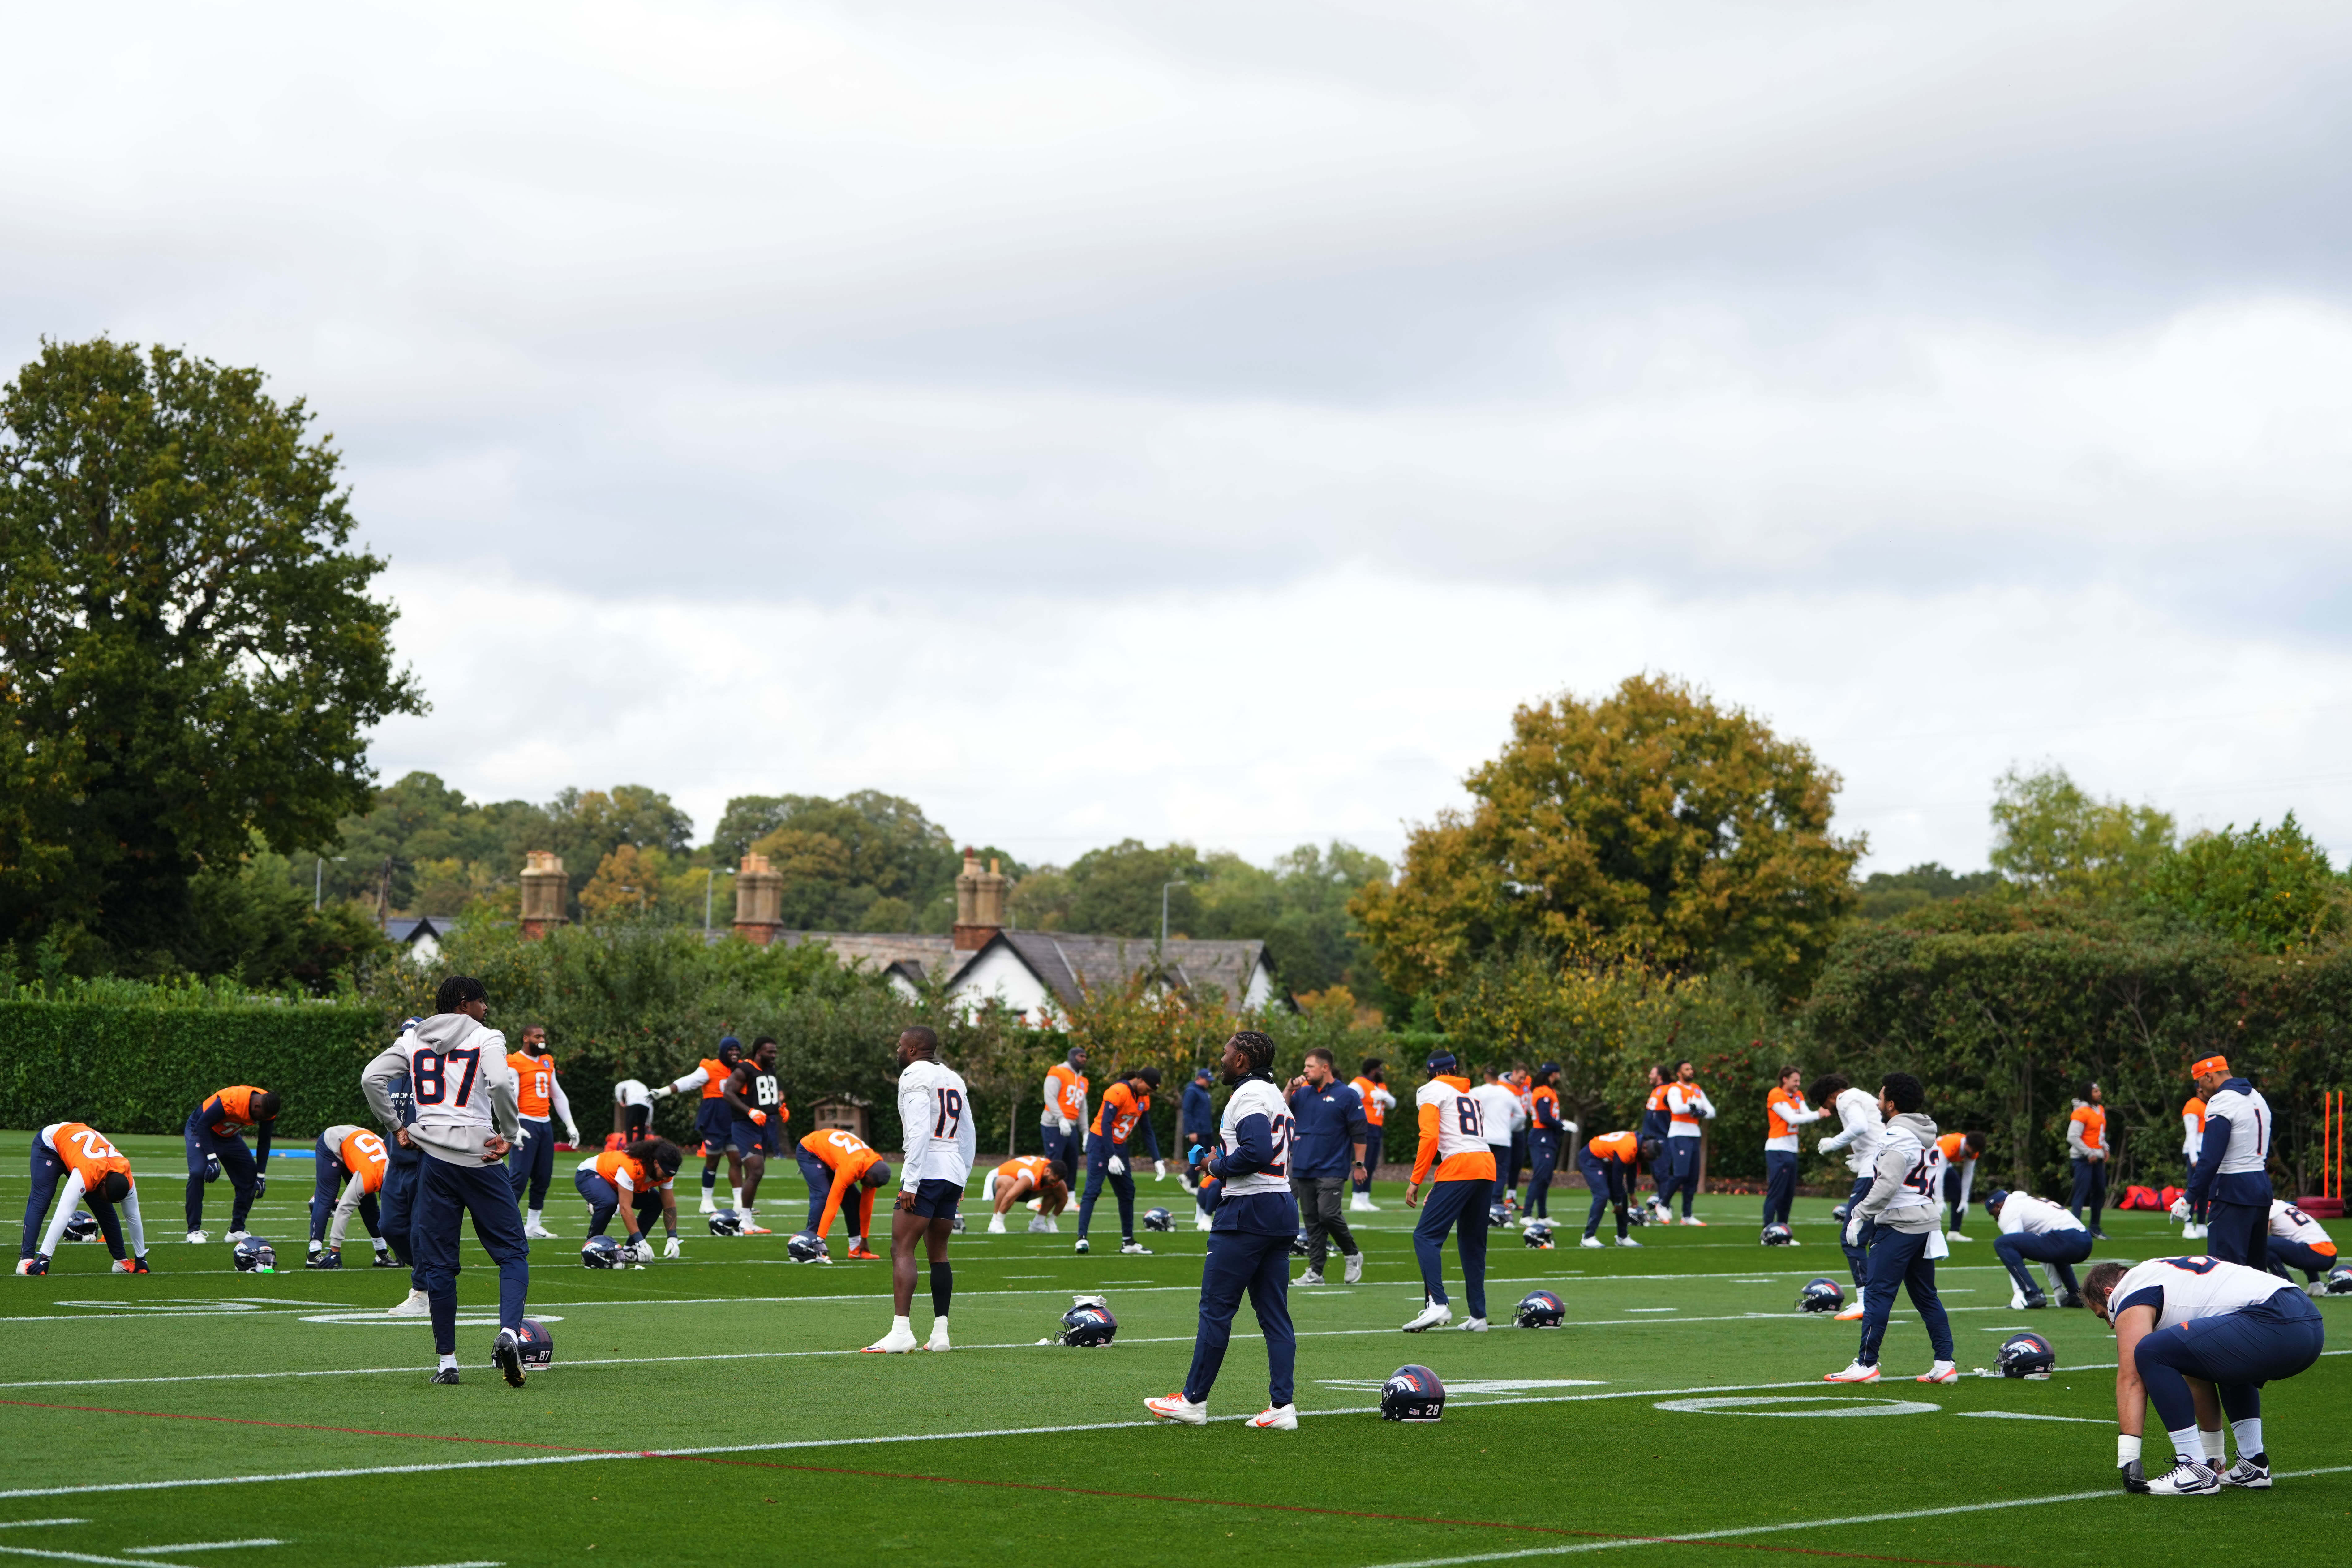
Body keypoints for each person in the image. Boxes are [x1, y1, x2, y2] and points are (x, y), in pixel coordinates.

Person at [361, 974, 533, 1388]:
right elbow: (498, 1082)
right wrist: (509, 1133)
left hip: (434, 1159)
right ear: (463, 1003)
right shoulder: (488, 1037)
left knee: (438, 1263)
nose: (486, 1008)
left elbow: (371, 1078)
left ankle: (447, 1363)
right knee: (512, 1253)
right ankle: (509, 1334)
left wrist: (396, 1125)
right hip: (480, 1155)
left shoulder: (413, 1038)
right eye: (481, 1001)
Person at [1146, 1029, 1302, 1430]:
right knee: (1275, 1315)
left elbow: (1256, 1152)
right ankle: (1283, 1406)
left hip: (1249, 1209)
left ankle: (1194, 1401)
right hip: (1281, 1205)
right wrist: (1224, 1159)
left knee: (1216, 1309)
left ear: (1243, 1061)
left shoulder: (1248, 1095)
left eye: (1227, 1052)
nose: (1221, 1058)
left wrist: (1216, 1167)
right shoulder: (1275, 1096)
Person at [2086, 1254, 2326, 1496]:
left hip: (2276, 1321)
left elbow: (2132, 1377)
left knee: (2150, 1350)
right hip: (2306, 1320)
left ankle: (2193, 1466)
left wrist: (2128, 1457)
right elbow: (2198, 1374)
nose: (2110, 1324)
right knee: (2221, 1359)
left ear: (2109, 1293)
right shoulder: (2162, 1274)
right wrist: (2214, 1454)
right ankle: (2252, 1463)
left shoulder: (2128, 1291)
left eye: (2103, 1315)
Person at [1824, 1072, 1957, 1385]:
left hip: (1899, 1222)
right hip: (1925, 1221)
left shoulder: (1897, 1134)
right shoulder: (1925, 1131)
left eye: (1881, 1097)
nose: (1877, 1102)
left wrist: (1859, 1214)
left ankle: (1866, 1363)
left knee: (1877, 1294)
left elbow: (1886, 1183)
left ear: (1893, 1104)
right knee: (1926, 1296)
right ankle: (1944, 1362)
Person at [865, 1026, 975, 1353]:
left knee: (902, 1248)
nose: (897, 1051)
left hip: (927, 1169)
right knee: (938, 1252)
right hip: (952, 1169)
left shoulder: (914, 1074)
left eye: (900, 1046)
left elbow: (918, 1130)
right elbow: (968, 1131)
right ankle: (941, 1333)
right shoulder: (953, 1077)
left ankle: (901, 1331)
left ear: (913, 1048)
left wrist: (910, 1182)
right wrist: (963, 1177)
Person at [1402, 1050, 1494, 1332]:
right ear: (1454, 1069)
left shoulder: (1431, 1090)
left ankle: (1438, 1304)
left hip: (1460, 1165)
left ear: (1430, 1073)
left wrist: (1416, 1179)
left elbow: (1430, 1136)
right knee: (1473, 1243)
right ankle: (1478, 1317)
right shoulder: (1471, 1095)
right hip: (1486, 1165)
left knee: (1425, 1236)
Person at [2178, 1055, 2273, 1269]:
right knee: (2255, 1272)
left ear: (2209, 1076)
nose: (2200, 1089)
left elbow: (2211, 1157)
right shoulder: (2257, 1096)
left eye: (2200, 1082)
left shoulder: (2222, 1100)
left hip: (2233, 1189)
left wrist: (2189, 1197)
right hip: (2261, 1187)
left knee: (2224, 1271)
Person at [1285, 1047, 1370, 1286]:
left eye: (1310, 1066)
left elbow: (1360, 1134)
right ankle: (1316, 1271)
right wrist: (1290, 1088)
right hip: (1303, 1164)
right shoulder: (1301, 1093)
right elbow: (1280, 1110)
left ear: (1325, 1068)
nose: (1305, 1071)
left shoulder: (1347, 1095)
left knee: (1328, 1214)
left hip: (1332, 1166)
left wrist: (1360, 1165)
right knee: (1312, 1220)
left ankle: (1352, 1253)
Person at [18, 1122, 148, 1276]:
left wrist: (141, 1258)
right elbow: (63, 1213)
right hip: (51, 1145)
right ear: (103, 1183)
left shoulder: (126, 1177)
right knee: (42, 1200)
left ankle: (121, 1261)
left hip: (82, 1153)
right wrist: (45, 1257)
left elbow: (133, 1216)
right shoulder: (87, 1174)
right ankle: (25, 1260)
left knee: (105, 1209)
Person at [1813, 1071, 1886, 1311]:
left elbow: (1860, 1125)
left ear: (1832, 1094)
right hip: (1882, 1166)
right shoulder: (1861, 1096)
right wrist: (1860, 1156)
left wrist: (1833, 1142)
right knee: (1876, 1239)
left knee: (1851, 1238)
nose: (1827, 1108)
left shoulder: (1845, 1099)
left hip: (1872, 1171)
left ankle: (1866, 1299)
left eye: (1824, 1102)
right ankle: (1876, 1298)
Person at [1074, 1067, 1164, 1256]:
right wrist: (1111, 1154)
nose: (1149, 1094)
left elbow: (1147, 1131)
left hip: (1119, 1145)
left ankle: (1128, 1242)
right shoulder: (1118, 1091)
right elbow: (1106, 1124)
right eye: (1148, 1089)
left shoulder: (1143, 1098)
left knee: (1127, 1191)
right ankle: (1082, 1238)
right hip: (1101, 1143)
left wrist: (1157, 1159)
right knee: (1093, 1190)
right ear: (1140, 1080)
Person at [652, 1037, 745, 1214]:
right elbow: (688, 1082)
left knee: (737, 1160)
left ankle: (740, 1202)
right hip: (714, 1120)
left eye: (737, 1050)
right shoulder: (710, 1068)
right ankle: (707, 1201)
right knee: (713, 1161)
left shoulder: (742, 1068)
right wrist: (663, 1092)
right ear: (723, 1052)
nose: (735, 1053)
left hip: (735, 1120)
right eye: (731, 1050)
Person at [505, 1025, 580, 1240]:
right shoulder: (515, 1061)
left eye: (544, 1036)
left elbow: (557, 1094)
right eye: (538, 1036)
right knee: (519, 1176)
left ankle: (534, 1225)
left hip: (545, 1124)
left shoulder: (547, 1060)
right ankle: (505, 1223)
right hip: (525, 1122)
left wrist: (570, 1124)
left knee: (543, 1177)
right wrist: (514, 1126)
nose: (542, 1039)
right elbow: (511, 1095)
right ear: (526, 1038)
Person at [377, 1030, 431, 1317]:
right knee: (389, 1227)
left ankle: (422, 1291)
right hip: (397, 1164)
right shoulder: (393, 1073)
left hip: (425, 1162)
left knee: (421, 1230)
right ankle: (433, 1273)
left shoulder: (434, 1070)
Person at [182, 1084, 278, 1244]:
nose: (260, 1121)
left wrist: (261, 1175)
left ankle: (236, 1230)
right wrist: (212, 1159)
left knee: (250, 1177)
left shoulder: (267, 1106)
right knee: (198, 1172)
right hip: (200, 1131)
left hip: (229, 1136)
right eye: (261, 1116)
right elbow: (202, 1125)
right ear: (256, 1106)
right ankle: (194, 1231)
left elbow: (264, 1142)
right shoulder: (233, 1100)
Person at [720, 1038, 790, 1234]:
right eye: (770, 1052)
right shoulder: (744, 1069)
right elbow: (728, 1094)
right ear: (759, 1052)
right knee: (757, 1170)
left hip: (763, 1126)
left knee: (754, 1174)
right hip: (744, 1126)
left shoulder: (770, 1070)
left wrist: (780, 1109)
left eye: (775, 1052)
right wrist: (749, 1111)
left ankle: (748, 1219)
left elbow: (765, 1097)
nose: (774, 1056)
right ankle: (743, 1219)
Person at [305, 1124, 395, 1269]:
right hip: (334, 1142)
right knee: (327, 1197)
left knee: (369, 1203)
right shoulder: (370, 1177)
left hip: (358, 1149)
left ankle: (382, 1253)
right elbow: (344, 1209)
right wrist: (335, 1251)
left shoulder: (394, 1169)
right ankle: (314, 1253)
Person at [575, 1138, 683, 1258]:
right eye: (664, 1173)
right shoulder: (633, 1167)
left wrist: (673, 1237)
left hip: (619, 1183)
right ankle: (591, 1247)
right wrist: (641, 1241)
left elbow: (669, 1206)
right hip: (591, 1173)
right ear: (656, 1163)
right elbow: (625, 1208)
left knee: (656, 1202)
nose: (666, 1178)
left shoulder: (666, 1174)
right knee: (608, 1203)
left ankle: (631, 1249)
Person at [1986, 1188, 2091, 1309]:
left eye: (1992, 1213)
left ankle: (2032, 1294)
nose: (1994, 1218)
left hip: (2067, 1239)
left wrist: (2019, 1291)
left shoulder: (2009, 1210)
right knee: (2047, 1244)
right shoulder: (2028, 1202)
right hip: (2084, 1240)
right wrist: (2058, 1289)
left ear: (1998, 1206)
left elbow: (2011, 1250)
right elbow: (2043, 1252)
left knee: (2002, 1244)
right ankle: (2075, 1295)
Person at [796, 1127, 891, 1260]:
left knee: (854, 1200)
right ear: (868, 1175)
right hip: (811, 1150)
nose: (869, 1187)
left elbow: (866, 1207)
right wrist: (820, 1240)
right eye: (870, 1184)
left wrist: (864, 1238)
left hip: (834, 1156)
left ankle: (856, 1249)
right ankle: (811, 1245)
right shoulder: (852, 1168)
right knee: (823, 1196)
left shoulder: (874, 1168)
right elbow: (832, 1205)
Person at [1762, 1067, 1820, 1234]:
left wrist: (1816, 1115)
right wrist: (1819, 1115)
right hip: (1778, 1148)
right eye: (1795, 1080)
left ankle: (1782, 1231)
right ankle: (1767, 1230)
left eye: (1799, 1081)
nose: (1798, 1084)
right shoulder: (1776, 1094)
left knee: (1788, 1194)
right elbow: (1792, 1118)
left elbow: (1806, 1114)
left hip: (1792, 1149)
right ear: (1785, 1079)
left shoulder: (1797, 1095)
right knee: (1777, 1192)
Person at [1658, 1060, 1716, 1225]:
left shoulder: (1697, 1089)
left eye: (1691, 1068)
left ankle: (1687, 1215)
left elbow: (1711, 1112)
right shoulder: (1675, 1089)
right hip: (1679, 1135)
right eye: (1687, 1069)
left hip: (1694, 1135)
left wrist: (1699, 1111)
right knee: (1681, 1174)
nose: (1691, 1071)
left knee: (1692, 1177)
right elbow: (1677, 1109)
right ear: (1679, 1073)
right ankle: (1662, 1204)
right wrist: (1693, 1107)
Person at [1577, 1130, 1654, 1249]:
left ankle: (1623, 1237)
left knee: (1623, 1196)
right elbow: (1617, 1176)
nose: (1646, 1161)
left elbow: (1632, 1172)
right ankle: (1588, 1237)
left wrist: (1632, 1194)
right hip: (1592, 1158)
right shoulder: (1629, 1147)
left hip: (1605, 1160)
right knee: (1602, 1195)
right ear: (1645, 1148)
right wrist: (1617, 1203)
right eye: (1648, 1158)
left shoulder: (1636, 1145)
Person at [1469, 1067, 1523, 1216]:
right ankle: (1496, 1202)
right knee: (1500, 1172)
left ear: (1486, 1077)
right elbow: (1521, 1116)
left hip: (1483, 1138)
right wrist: (1509, 1127)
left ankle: (1477, 1199)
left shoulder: (1478, 1091)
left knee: (1480, 1170)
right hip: (1502, 1138)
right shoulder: (1507, 1093)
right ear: (1497, 1078)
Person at [1522, 1064, 1569, 1220]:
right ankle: (1527, 1214)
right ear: (1554, 1074)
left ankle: (1542, 1215)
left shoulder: (1547, 1091)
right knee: (1540, 1176)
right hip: (1542, 1136)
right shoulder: (1543, 1092)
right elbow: (1545, 1118)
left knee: (1546, 1177)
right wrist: (1563, 1124)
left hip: (1547, 1136)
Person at [1350, 1059, 1395, 1211]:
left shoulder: (1380, 1086)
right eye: (1380, 1069)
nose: (1382, 1072)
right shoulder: (1360, 1083)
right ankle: (1356, 1198)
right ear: (1372, 1070)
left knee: (1372, 1164)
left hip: (1377, 1128)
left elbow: (1393, 1104)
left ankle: (1365, 1198)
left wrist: (1385, 1097)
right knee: (1363, 1162)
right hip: (1365, 1126)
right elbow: (1349, 1097)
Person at [2068, 1081, 2111, 1239]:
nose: (2100, 1094)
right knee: (2082, 1192)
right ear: (2088, 1094)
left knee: (2100, 1192)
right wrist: (2088, 1153)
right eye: (2096, 1092)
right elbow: (2072, 1136)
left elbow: (2099, 1134)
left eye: (2099, 1091)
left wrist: (2105, 1148)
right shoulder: (2082, 1112)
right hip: (2083, 1159)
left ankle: (2095, 1228)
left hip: (2097, 1158)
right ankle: (2075, 1229)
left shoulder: (2100, 1110)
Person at [1039, 1045, 1090, 1176]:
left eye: (1085, 1057)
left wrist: (1085, 1132)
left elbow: (1082, 1108)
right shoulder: (1058, 1072)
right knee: (1054, 1162)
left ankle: (1070, 1194)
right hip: (1053, 1124)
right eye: (1081, 1056)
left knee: (1072, 1162)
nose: (1084, 1059)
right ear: (1072, 1057)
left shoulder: (1083, 1081)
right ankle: (1044, 1192)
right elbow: (1050, 1098)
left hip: (1072, 1125)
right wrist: (1061, 1119)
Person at [984, 1155, 1068, 1232]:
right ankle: (995, 1222)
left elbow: (1064, 1199)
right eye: (1053, 1180)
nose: (1053, 1183)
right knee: (1009, 1183)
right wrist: (999, 1219)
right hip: (998, 1180)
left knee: (1056, 1189)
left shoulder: (1052, 1175)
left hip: (1022, 1187)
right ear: (1047, 1171)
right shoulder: (1030, 1175)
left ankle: (1038, 1224)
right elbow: (1010, 1197)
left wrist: (1052, 1220)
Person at [2264, 1200, 2338, 1286]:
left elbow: (2261, 1236)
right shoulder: (2282, 1206)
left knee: (2264, 1243)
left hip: (2316, 1255)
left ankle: (2288, 1287)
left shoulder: (2267, 1207)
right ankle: (2316, 1284)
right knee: (2300, 1242)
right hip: (2329, 1254)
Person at [1180, 1065, 1218, 1231]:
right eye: (1207, 1080)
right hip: (1198, 1130)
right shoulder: (1192, 1091)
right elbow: (1187, 1112)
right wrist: (1191, 1131)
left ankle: (1189, 1177)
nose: (1209, 1083)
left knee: (1203, 1157)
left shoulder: (1203, 1092)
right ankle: (1190, 1179)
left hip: (1206, 1129)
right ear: (1200, 1078)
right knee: (1197, 1157)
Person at [1938, 1131, 1987, 1241]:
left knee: (1958, 1195)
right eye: (1973, 1150)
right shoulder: (1951, 1144)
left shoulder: (1972, 1151)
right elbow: (1938, 1174)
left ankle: (1954, 1232)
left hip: (1945, 1165)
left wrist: (1965, 1200)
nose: (1974, 1153)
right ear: (1967, 1145)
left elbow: (1968, 1175)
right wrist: (1940, 1200)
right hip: (1927, 1164)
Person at [1639, 1065, 1672, 1209]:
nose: (1649, 1076)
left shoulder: (1670, 1090)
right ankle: (1662, 1202)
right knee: (1657, 1174)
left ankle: (1665, 1207)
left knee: (1662, 1173)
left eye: (1652, 1074)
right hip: (1651, 1138)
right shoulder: (1657, 1090)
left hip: (1662, 1138)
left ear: (1660, 1076)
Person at [2180, 1092, 2208, 1240]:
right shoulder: (2193, 1105)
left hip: (2204, 1152)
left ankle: (2202, 1225)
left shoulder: (2207, 1105)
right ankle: (2188, 1225)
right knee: (2194, 1189)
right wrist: (2194, 1158)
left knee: (2205, 1191)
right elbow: (2191, 1134)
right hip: (2196, 1153)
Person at [611, 1078, 654, 1145]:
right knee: (642, 1127)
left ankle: (629, 1145)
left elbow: (618, 1086)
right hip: (646, 1105)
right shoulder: (644, 1086)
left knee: (629, 1125)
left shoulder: (627, 1083)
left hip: (633, 1103)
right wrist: (649, 1123)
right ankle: (641, 1147)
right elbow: (651, 1105)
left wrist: (621, 1101)